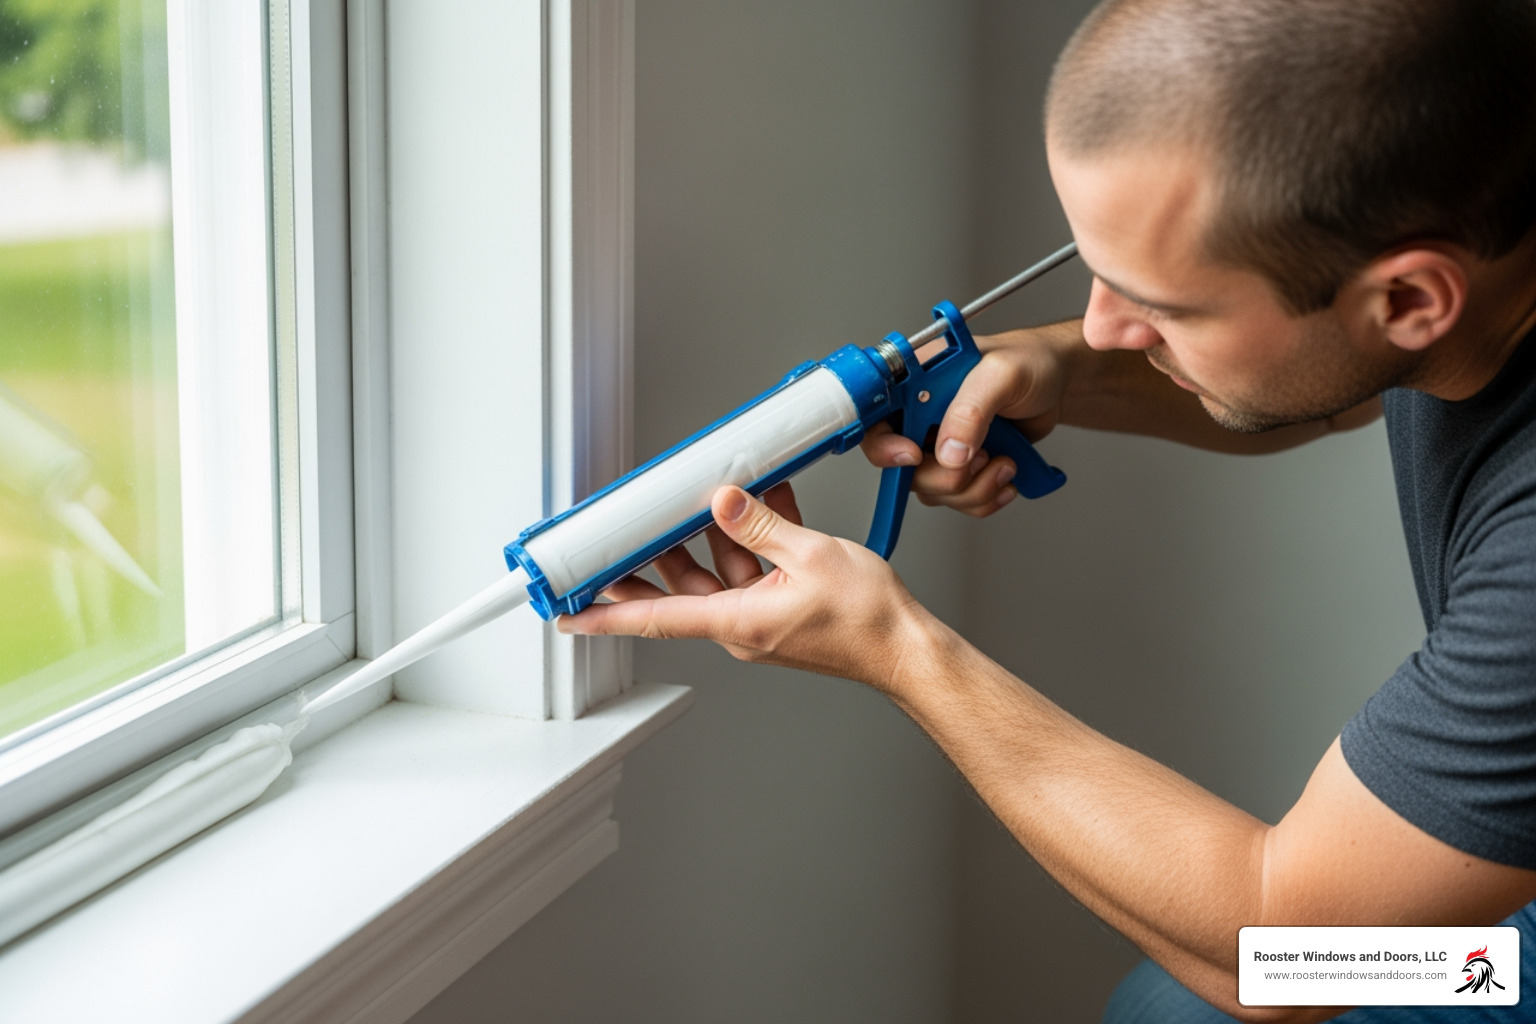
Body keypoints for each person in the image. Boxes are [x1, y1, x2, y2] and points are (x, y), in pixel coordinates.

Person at [560, 1, 1536, 1020]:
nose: (1107, 326)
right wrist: (1057, 369)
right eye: (1094, 278)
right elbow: (1335, 377)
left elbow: (1289, 955)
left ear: (1415, 299)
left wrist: (895, 647)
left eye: (1162, 306)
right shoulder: (1474, 198)